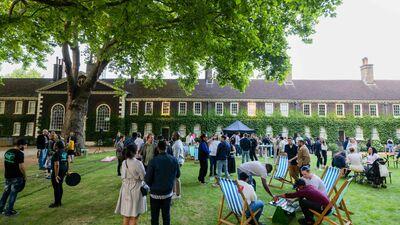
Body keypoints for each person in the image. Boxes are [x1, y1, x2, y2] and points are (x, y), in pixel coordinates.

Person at [145, 140, 180, 225]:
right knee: (166, 216)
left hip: (156, 193)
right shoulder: (173, 160)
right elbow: (178, 175)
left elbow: (148, 179)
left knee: (155, 217)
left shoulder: (153, 161)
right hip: (166, 192)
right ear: (166, 148)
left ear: (157, 149)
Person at [115, 144, 146, 225]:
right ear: (135, 151)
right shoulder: (138, 163)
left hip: (125, 189)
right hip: (135, 190)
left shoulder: (124, 162)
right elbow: (143, 177)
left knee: (126, 215)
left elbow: (122, 176)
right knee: (134, 216)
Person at [0, 139, 27, 216]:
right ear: (21, 145)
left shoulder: (8, 151)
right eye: (25, 145)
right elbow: (21, 167)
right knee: (13, 194)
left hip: (8, 176)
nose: (25, 146)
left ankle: (0, 208)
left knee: (5, 193)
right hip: (16, 177)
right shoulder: (20, 154)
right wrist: (25, 176)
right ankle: (9, 211)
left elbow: (6, 163)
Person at [49, 141, 69, 208]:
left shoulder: (56, 153)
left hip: (58, 171)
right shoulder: (65, 152)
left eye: (55, 145)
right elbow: (67, 161)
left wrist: (56, 175)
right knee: (60, 186)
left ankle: (56, 203)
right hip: (63, 170)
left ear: (57, 146)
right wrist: (67, 170)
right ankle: (59, 202)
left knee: (56, 187)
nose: (54, 145)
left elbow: (57, 164)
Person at [171, 132, 184, 199]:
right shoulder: (177, 142)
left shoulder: (177, 144)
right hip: (178, 162)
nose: (172, 136)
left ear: (176, 136)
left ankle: (178, 194)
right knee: (174, 178)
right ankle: (174, 192)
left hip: (177, 162)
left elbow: (175, 157)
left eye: (173, 135)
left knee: (176, 178)